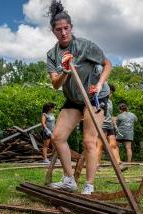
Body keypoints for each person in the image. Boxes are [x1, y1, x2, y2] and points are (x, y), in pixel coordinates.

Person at [47, 0, 112, 194]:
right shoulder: (52, 55)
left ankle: (89, 185)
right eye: (59, 29)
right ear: (54, 32)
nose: (63, 32)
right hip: (74, 98)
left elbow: (107, 64)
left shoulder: (85, 46)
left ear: (71, 27)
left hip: (94, 97)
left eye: (66, 28)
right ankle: (69, 180)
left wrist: (99, 83)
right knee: (57, 137)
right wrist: (66, 70)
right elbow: (55, 84)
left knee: (89, 141)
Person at [97, 84, 124, 170]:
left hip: (110, 125)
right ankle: (96, 164)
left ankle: (119, 164)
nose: (110, 94)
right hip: (102, 125)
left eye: (112, 93)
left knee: (113, 145)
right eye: (110, 92)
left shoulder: (110, 102)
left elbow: (110, 114)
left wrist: (114, 123)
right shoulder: (99, 99)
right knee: (100, 145)